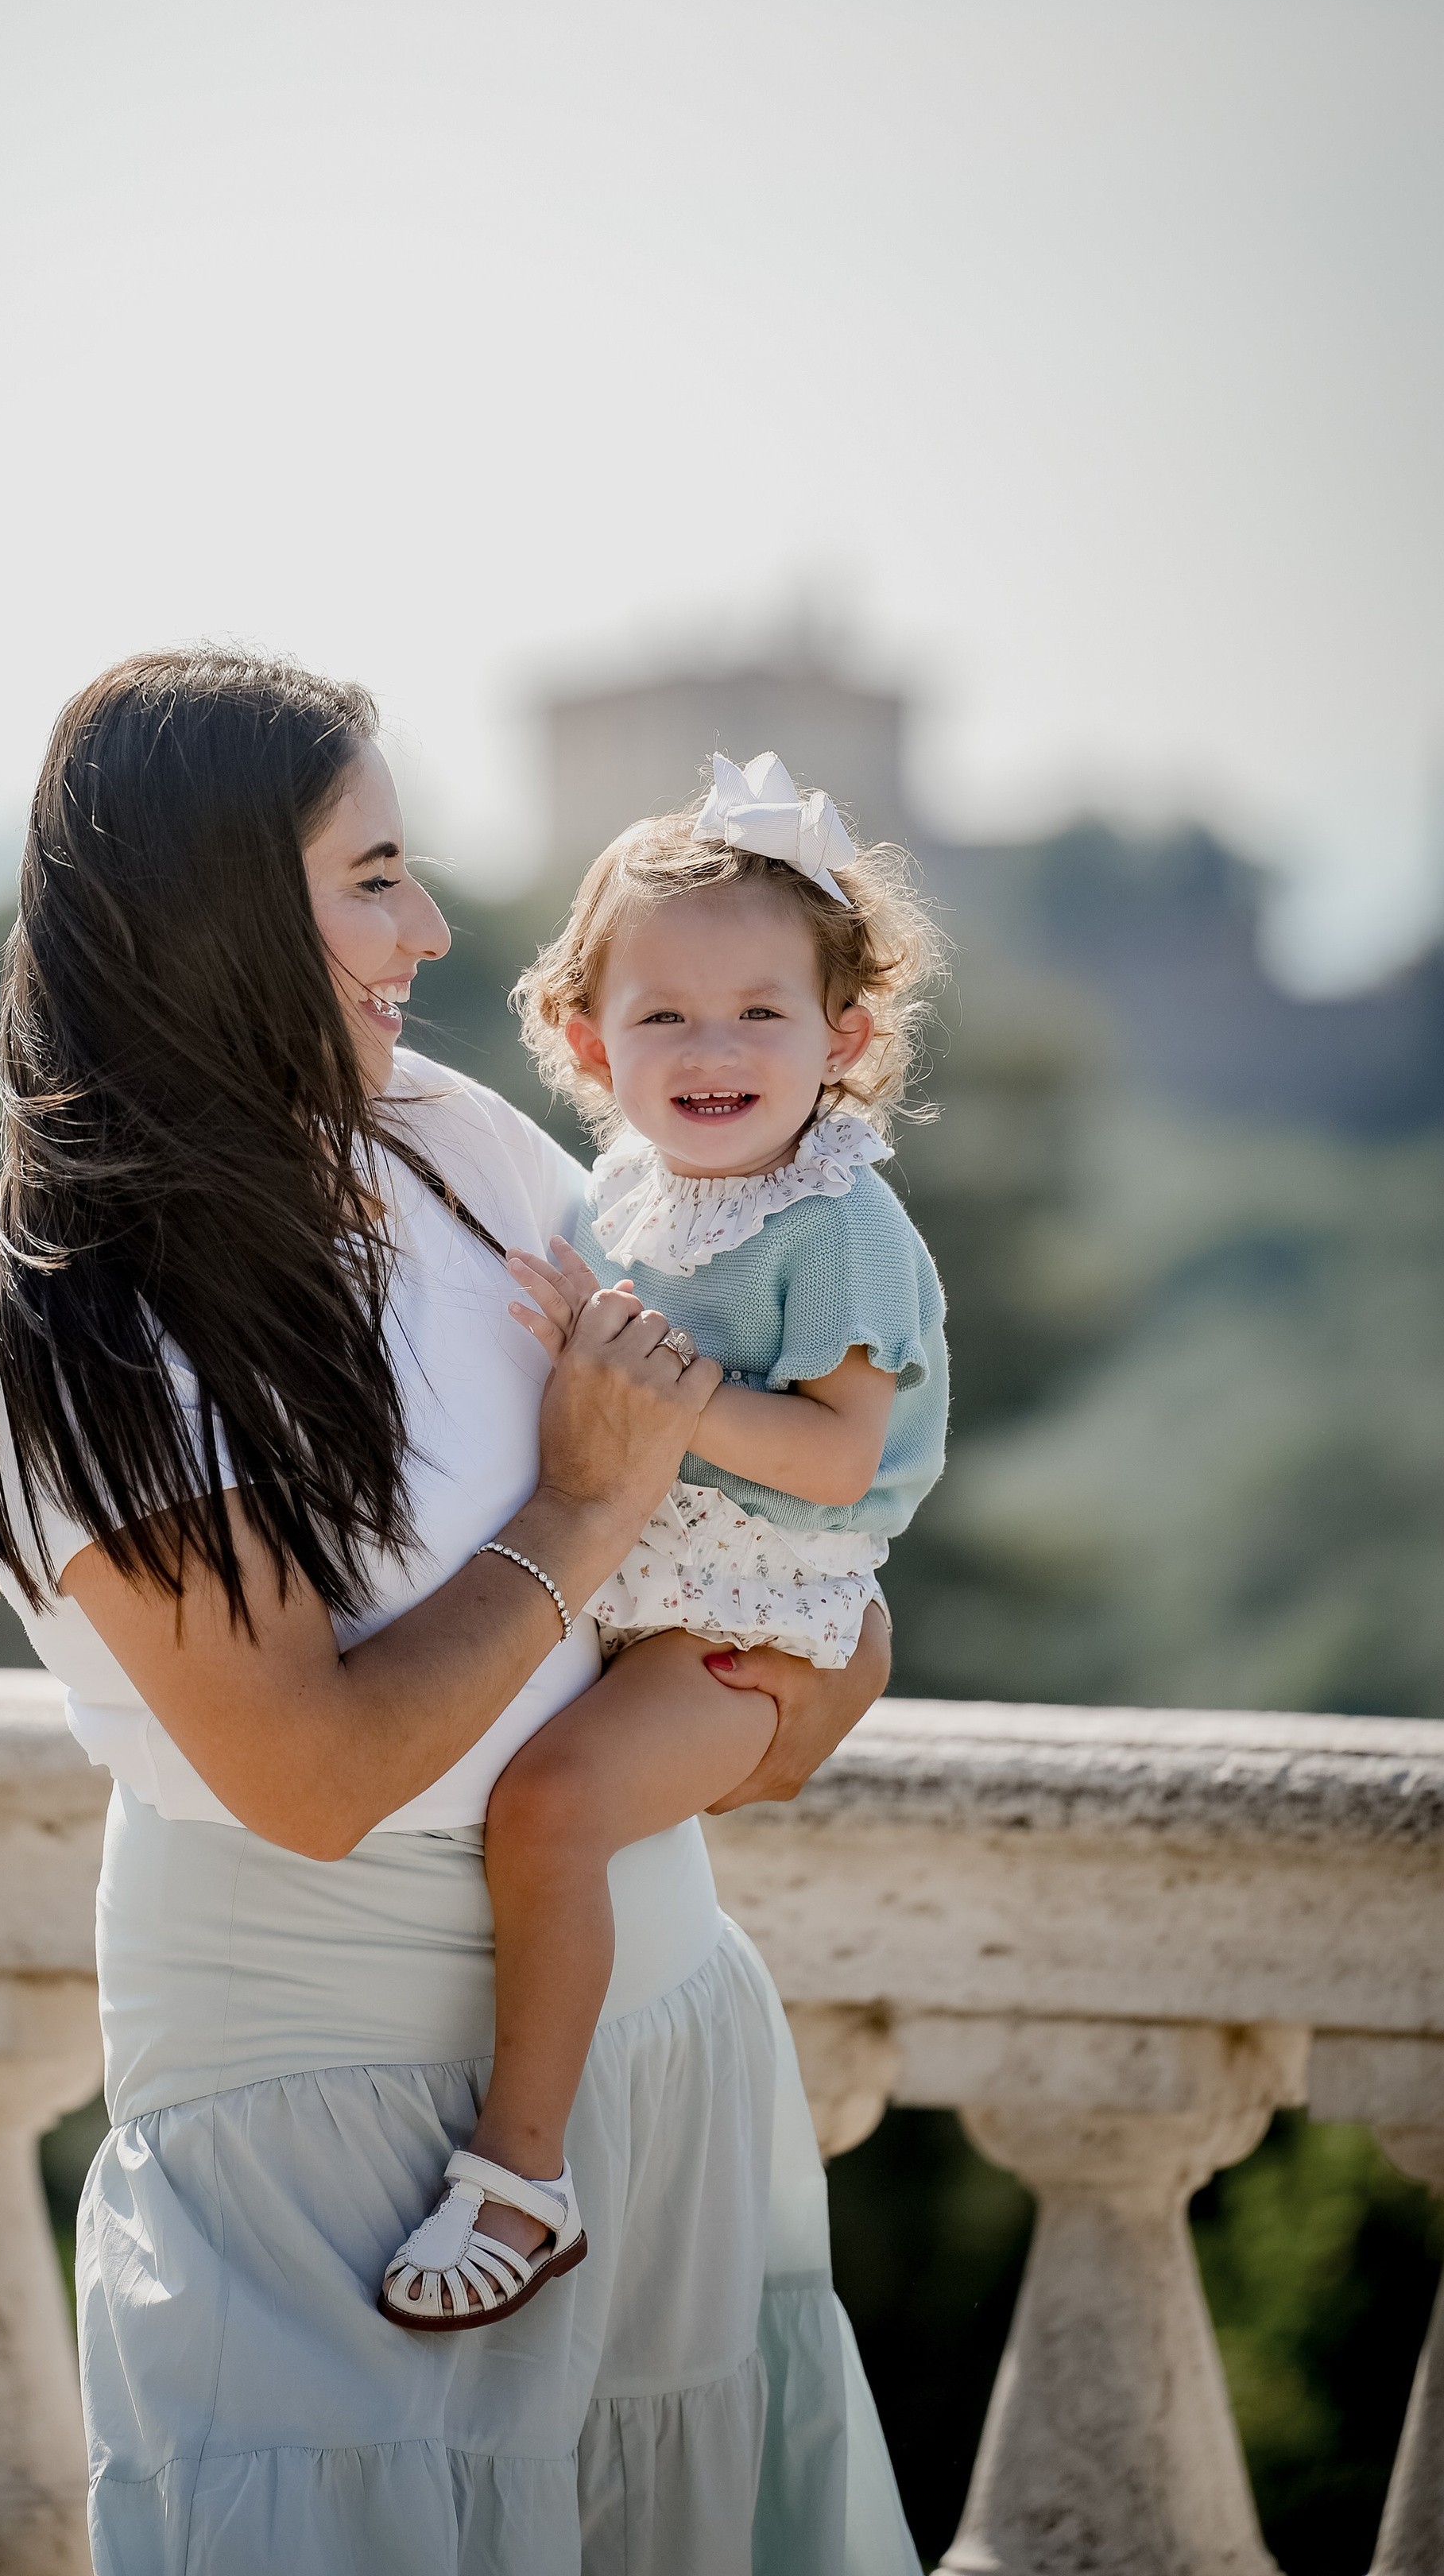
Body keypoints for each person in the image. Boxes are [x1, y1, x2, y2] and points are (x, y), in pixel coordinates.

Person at [0, 652, 916, 2576]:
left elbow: (722, 1459)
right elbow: (313, 1776)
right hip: (328, 2123)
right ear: (218, 913)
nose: (432, 927)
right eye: (371, 875)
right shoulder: (81, 1323)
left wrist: (806, 1675)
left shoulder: (448, 1138)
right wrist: (579, 1509)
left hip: (654, 2051)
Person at [380, 750, 947, 2329]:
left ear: (839, 1039)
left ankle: (519, 2174)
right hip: (645, 1587)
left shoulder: (831, 1218)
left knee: (550, 1810)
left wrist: (650, 1386)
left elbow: (835, 1460)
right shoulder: (622, 1192)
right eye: (662, 1017)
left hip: (750, 1606)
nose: (709, 1051)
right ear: (585, 1038)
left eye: (757, 1014)